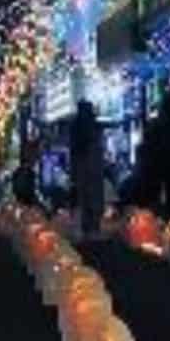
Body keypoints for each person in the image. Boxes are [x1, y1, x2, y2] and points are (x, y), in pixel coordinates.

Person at [71, 100, 105, 239]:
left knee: (85, 197)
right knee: (93, 196)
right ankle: (93, 228)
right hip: (92, 168)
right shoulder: (94, 129)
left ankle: (88, 228)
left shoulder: (76, 129)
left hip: (83, 168)